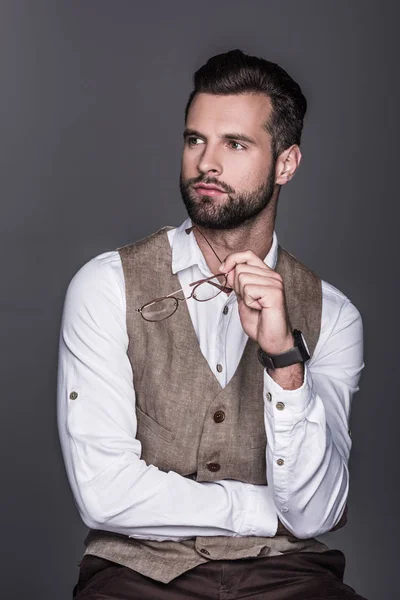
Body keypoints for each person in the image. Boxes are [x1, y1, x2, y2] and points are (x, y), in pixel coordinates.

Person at [57, 49, 366, 599]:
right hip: (137, 577)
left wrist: (284, 359)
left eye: (236, 144)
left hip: (288, 580)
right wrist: (263, 510)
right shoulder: (105, 287)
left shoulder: (334, 315)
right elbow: (103, 492)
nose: (206, 163)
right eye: (195, 139)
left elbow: (318, 509)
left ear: (286, 164)